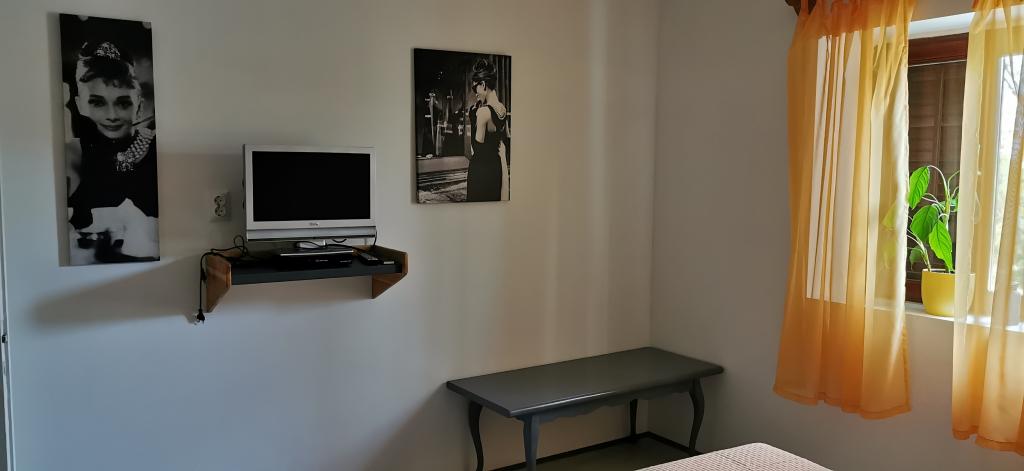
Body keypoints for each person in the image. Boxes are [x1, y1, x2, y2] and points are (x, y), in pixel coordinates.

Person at [65, 40, 158, 263]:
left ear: (139, 105)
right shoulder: (73, 155)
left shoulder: (158, 150)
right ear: (79, 104)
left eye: (123, 103)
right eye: (97, 103)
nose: (112, 115)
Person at [466, 59, 509, 202]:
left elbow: (477, 148)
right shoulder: (502, 108)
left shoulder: (483, 112)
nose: (475, 93)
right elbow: (505, 138)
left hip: (481, 172)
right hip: (496, 169)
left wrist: (473, 118)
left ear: (483, 85)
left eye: (475, 88)